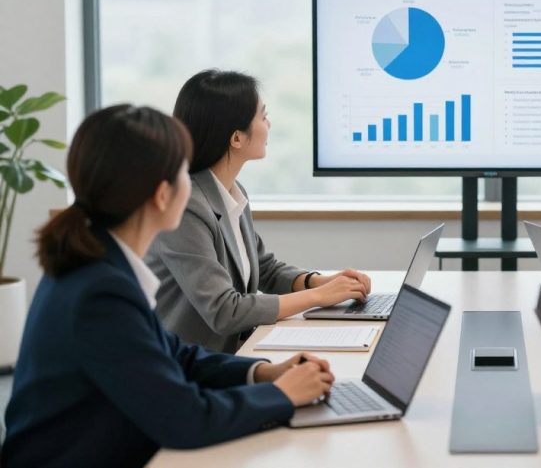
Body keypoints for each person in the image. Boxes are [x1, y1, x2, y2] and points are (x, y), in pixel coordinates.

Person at [1, 105, 336, 467]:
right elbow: (186, 419)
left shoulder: (97, 259)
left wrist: (262, 373)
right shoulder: (100, 291)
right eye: (183, 171)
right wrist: (281, 395)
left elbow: (173, 353)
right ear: (163, 195)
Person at [146, 70, 371, 352]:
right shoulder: (185, 205)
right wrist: (319, 296)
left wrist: (321, 281)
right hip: (189, 368)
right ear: (237, 138)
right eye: (263, 116)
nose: (269, 124)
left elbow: (265, 269)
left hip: (230, 354)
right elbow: (223, 310)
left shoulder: (230, 190)